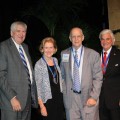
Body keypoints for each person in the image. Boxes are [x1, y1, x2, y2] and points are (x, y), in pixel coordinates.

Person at [60, 27, 103, 120]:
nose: (76, 39)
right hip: (71, 100)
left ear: (83, 37)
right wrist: (65, 91)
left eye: (78, 36)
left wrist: (94, 97)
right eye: (73, 36)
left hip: (88, 97)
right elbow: (62, 76)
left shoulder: (93, 54)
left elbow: (98, 77)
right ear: (70, 38)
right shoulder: (64, 54)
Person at [0, 21, 38, 120]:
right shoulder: (3, 47)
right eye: (18, 31)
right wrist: (12, 97)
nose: (21, 34)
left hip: (27, 100)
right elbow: (1, 75)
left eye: (24, 31)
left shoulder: (25, 47)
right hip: (11, 101)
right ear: (11, 32)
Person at [34, 37, 64, 120]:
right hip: (47, 101)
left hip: (59, 99)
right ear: (42, 49)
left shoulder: (55, 60)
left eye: (51, 47)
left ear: (55, 49)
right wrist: (42, 106)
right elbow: (38, 87)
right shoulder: (39, 64)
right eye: (46, 47)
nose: (48, 50)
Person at [99, 29, 120, 120]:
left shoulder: (119, 55)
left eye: (107, 39)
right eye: (102, 39)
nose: (105, 42)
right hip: (100, 100)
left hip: (115, 99)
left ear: (112, 40)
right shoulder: (94, 56)